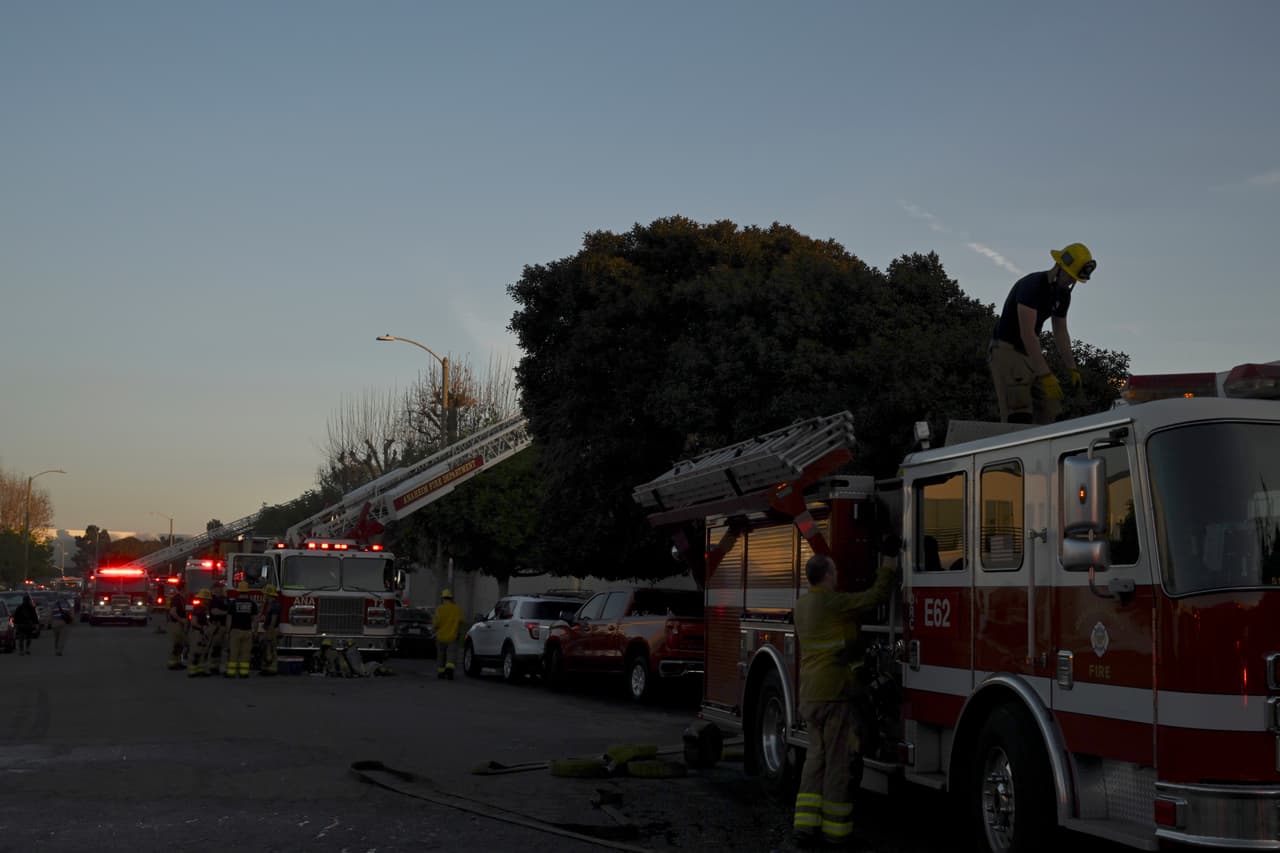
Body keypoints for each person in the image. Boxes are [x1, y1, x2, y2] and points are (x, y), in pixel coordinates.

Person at [792, 554, 894, 848]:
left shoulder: (801, 605)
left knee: (815, 759)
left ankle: (804, 826)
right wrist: (888, 564)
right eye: (835, 570)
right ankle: (835, 833)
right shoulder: (831, 603)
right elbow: (875, 597)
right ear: (826, 574)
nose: (837, 574)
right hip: (833, 694)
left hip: (809, 694)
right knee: (838, 763)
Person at [989, 242, 1097, 424]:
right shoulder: (1032, 286)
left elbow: (1061, 331)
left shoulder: (1063, 295)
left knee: (1051, 408)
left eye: (1074, 280)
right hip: (1006, 350)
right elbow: (1027, 333)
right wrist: (1045, 374)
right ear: (1059, 267)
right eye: (1070, 277)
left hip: (1028, 353)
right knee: (1019, 409)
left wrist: (1072, 368)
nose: (1071, 282)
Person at [226, 581, 259, 679]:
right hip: (247, 631)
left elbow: (229, 619)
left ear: (239, 591)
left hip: (235, 631)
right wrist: (255, 631)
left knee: (234, 652)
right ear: (247, 592)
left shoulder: (233, 603)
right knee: (246, 653)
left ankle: (231, 673)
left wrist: (227, 632)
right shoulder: (252, 604)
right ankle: (244, 673)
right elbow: (255, 620)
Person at [431, 588, 462, 680]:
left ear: (443, 598)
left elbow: (436, 623)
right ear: (451, 598)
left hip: (441, 637)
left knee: (441, 656)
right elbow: (461, 621)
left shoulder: (439, 609)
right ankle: (449, 670)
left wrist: (434, 630)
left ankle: (441, 672)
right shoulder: (457, 609)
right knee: (451, 655)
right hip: (452, 637)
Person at [206, 579, 230, 676]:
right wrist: (226, 613)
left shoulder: (226, 599)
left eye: (220, 588)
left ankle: (221, 667)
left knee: (223, 649)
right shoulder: (213, 600)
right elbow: (214, 611)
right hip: (216, 627)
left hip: (224, 626)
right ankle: (213, 667)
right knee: (215, 647)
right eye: (217, 588)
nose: (219, 590)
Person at [187, 589, 212, 677]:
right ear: (203, 599)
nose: (208, 601)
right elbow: (193, 622)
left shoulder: (204, 609)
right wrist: (202, 628)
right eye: (207, 599)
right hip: (198, 633)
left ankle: (201, 670)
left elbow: (206, 621)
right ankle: (192, 671)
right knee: (196, 652)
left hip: (203, 633)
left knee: (203, 652)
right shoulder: (198, 609)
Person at [258, 584, 282, 676]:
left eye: (265, 594)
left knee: (270, 649)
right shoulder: (270, 604)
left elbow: (274, 619)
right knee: (266, 648)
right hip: (269, 629)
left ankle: (271, 669)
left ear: (268, 595)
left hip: (272, 630)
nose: (264, 596)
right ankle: (266, 668)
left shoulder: (275, 605)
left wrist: (270, 631)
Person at [166, 588, 187, 670]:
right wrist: (181, 620)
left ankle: (178, 662)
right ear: (182, 590)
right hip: (175, 624)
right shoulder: (176, 599)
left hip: (180, 624)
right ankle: (172, 663)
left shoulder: (182, 599)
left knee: (180, 644)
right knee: (176, 644)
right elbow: (172, 612)